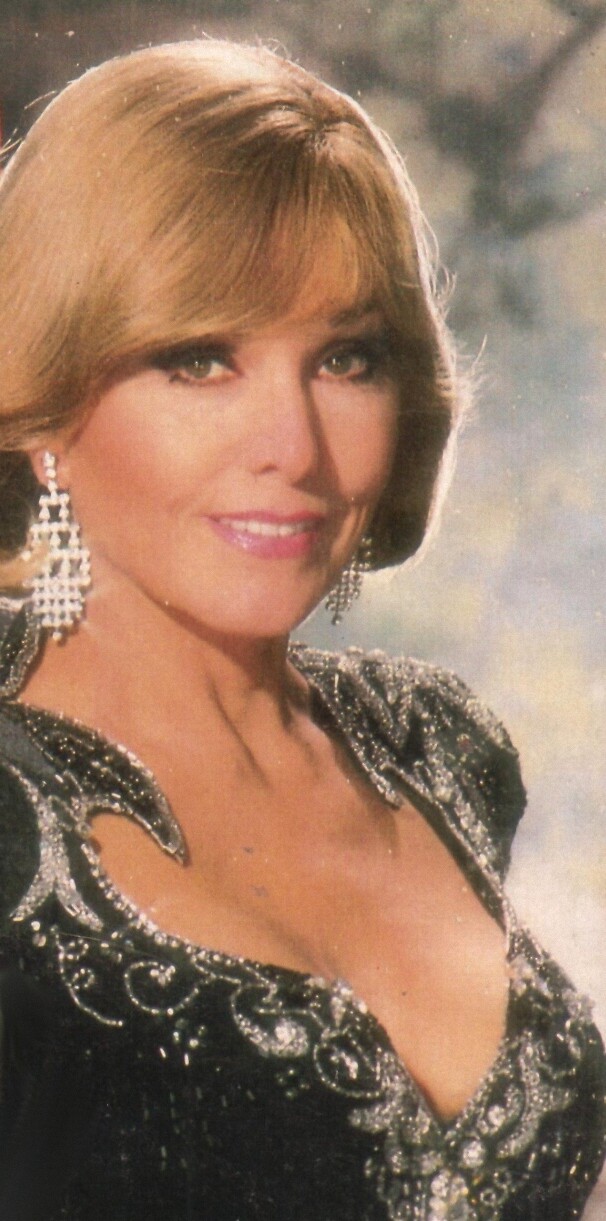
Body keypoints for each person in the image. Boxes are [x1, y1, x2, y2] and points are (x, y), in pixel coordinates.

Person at [0, 38, 603, 1221]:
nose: (292, 446)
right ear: (47, 407)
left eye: (346, 358)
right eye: (199, 360)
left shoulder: (439, 746)